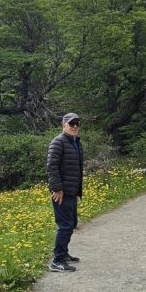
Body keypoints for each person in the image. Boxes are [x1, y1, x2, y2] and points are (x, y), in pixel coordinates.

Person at [47, 112, 84, 272]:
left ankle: (64, 253)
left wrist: (77, 191)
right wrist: (57, 189)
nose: (74, 126)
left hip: (71, 191)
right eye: (71, 123)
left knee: (71, 223)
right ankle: (57, 260)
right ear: (64, 125)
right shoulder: (58, 142)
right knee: (65, 225)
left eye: (77, 123)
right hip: (61, 192)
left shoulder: (75, 142)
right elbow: (52, 166)